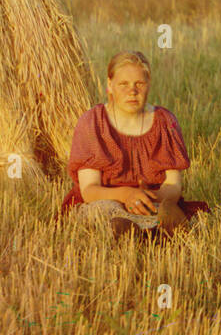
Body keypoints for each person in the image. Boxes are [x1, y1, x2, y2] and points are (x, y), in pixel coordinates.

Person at [61, 50, 206, 237]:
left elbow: (173, 185)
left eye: (139, 83)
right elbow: (89, 190)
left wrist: (147, 199)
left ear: (148, 84)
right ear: (109, 85)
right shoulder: (93, 122)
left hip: (151, 200)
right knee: (105, 211)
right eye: (123, 84)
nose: (132, 91)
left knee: (164, 209)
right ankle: (136, 233)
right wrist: (126, 195)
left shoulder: (165, 121)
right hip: (106, 199)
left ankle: (157, 228)